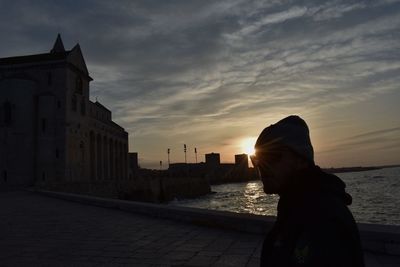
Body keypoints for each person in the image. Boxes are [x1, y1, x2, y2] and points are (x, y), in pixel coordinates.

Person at [251, 115, 365, 267]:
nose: (261, 167)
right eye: (256, 159)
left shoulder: (325, 219)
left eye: (271, 156)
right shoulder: (294, 207)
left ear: (301, 159)